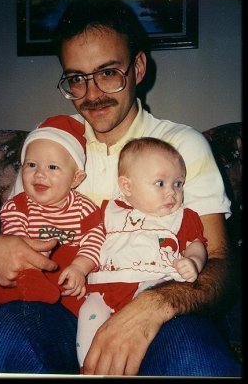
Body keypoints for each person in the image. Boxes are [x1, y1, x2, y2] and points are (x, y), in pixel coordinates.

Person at [0, 0, 241, 376]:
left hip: (158, 299)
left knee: (195, 362)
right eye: (75, 78)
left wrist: (150, 307)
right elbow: (18, 224)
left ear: (137, 67)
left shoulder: (179, 145)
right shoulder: (53, 141)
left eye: (107, 73)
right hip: (60, 307)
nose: (90, 95)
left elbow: (220, 261)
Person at [76, 137, 208, 368]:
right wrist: (78, 267)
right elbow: (87, 239)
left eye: (178, 183)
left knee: (152, 332)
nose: (172, 193)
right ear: (127, 186)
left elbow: (196, 244)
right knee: (88, 311)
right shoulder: (108, 211)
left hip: (153, 285)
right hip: (107, 287)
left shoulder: (182, 217)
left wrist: (194, 261)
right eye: (160, 183)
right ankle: (90, 365)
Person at [0, 115, 105, 311]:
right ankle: (31, 289)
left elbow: (95, 240)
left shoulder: (85, 208)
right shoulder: (18, 205)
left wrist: (79, 268)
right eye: (31, 165)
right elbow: (15, 239)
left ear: (76, 178)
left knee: (85, 287)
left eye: (53, 167)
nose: (40, 174)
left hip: (67, 276)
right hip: (28, 271)